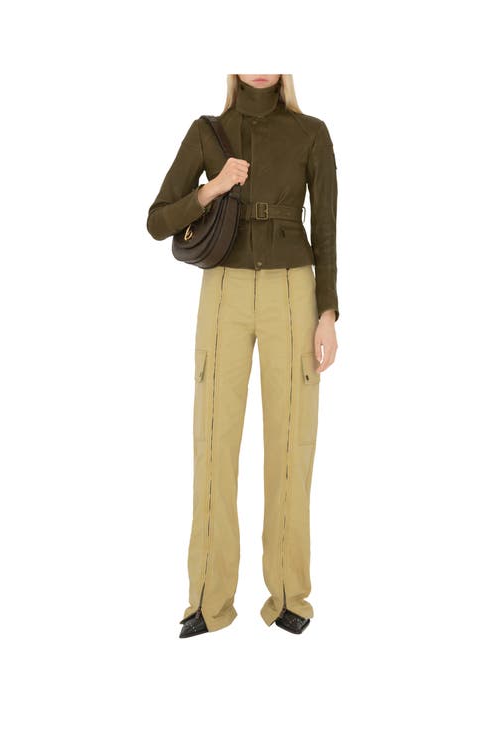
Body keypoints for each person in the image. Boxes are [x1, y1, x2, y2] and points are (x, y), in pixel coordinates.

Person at [146, 74, 339, 637]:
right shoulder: (208, 132)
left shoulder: (311, 132)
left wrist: (327, 311)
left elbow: (326, 228)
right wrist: (212, 189)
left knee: (291, 442)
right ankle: (208, 602)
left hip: (293, 290)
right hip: (223, 289)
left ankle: (289, 597)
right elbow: (158, 220)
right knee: (213, 439)